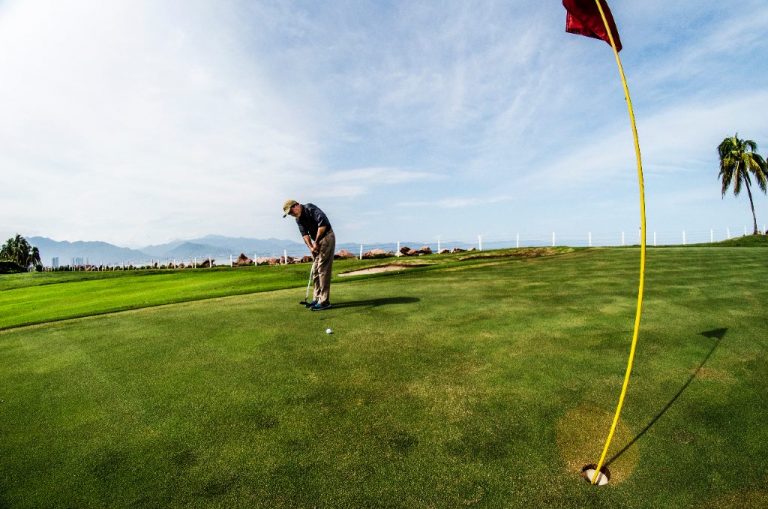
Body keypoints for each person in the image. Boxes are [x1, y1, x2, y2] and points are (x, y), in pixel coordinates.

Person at [283, 199, 335, 311]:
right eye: (289, 214)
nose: (291, 214)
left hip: (326, 236)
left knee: (322, 268)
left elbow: (322, 225)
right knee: (315, 270)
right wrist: (311, 247)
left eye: (291, 211)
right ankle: (317, 298)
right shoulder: (298, 219)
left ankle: (324, 301)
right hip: (316, 241)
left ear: (296, 205)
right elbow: (305, 235)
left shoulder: (310, 208)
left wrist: (316, 242)